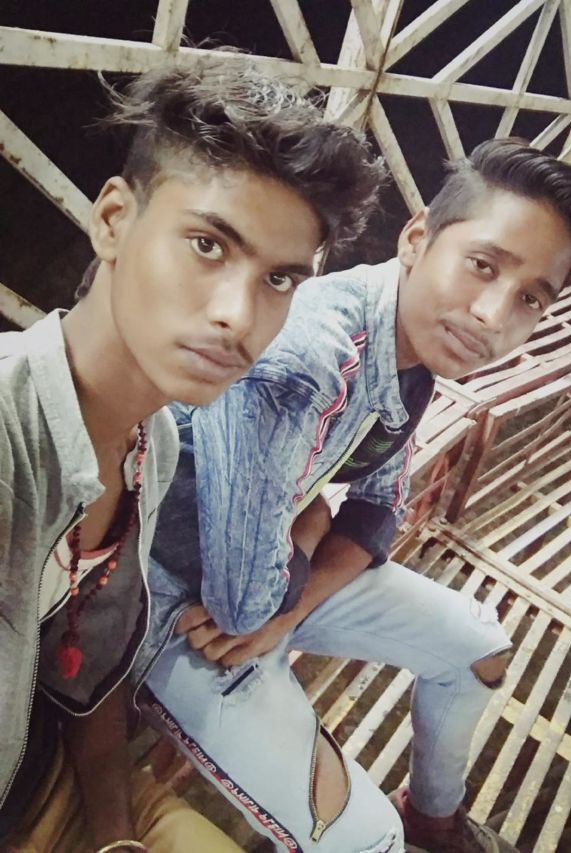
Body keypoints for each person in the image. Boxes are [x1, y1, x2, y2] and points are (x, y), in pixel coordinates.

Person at [137, 139, 571, 853]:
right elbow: (242, 608)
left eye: (530, 299)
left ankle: (433, 818)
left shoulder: (412, 348)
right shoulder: (310, 360)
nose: (492, 314)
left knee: (478, 647)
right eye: (483, 265)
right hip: (174, 612)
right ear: (417, 237)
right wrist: (308, 526)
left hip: (271, 586)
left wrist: (298, 574)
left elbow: (379, 505)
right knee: (368, 840)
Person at [0, 54, 384, 853]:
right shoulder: (11, 437)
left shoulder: (153, 441)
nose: (239, 316)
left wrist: (116, 837)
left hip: (55, 784)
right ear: (113, 220)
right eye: (208, 244)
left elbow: (87, 671)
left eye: (279, 279)